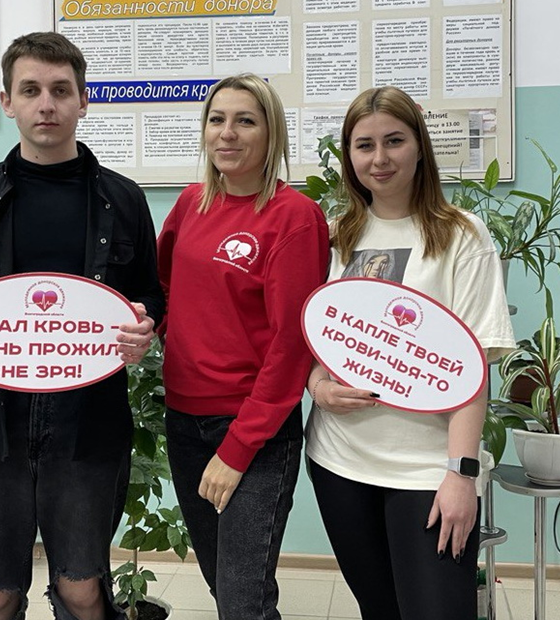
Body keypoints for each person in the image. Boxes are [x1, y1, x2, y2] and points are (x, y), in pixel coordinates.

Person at [0, 32, 163, 620]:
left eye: (60, 90)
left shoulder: (124, 199)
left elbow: (149, 296)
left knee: (83, 590)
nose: (46, 104)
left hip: (90, 422)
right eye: (30, 90)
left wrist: (146, 326)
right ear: (8, 101)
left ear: (84, 100)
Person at [304, 86, 514, 620]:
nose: (380, 158)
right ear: (349, 156)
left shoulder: (462, 235)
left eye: (394, 141)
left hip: (428, 469)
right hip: (339, 461)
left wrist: (461, 474)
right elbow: (315, 337)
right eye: (364, 145)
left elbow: (474, 367)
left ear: (420, 145)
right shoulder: (334, 235)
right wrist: (316, 386)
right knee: (379, 610)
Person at [156, 74, 330, 619]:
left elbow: (292, 344)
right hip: (184, 420)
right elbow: (163, 289)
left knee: (242, 601)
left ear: (271, 133)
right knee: (224, 587)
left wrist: (237, 449)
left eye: (245, 121)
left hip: (254, 430)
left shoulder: (294, 217)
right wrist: (165, 332)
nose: (227, 133)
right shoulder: (191, 204)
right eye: (217, 119)